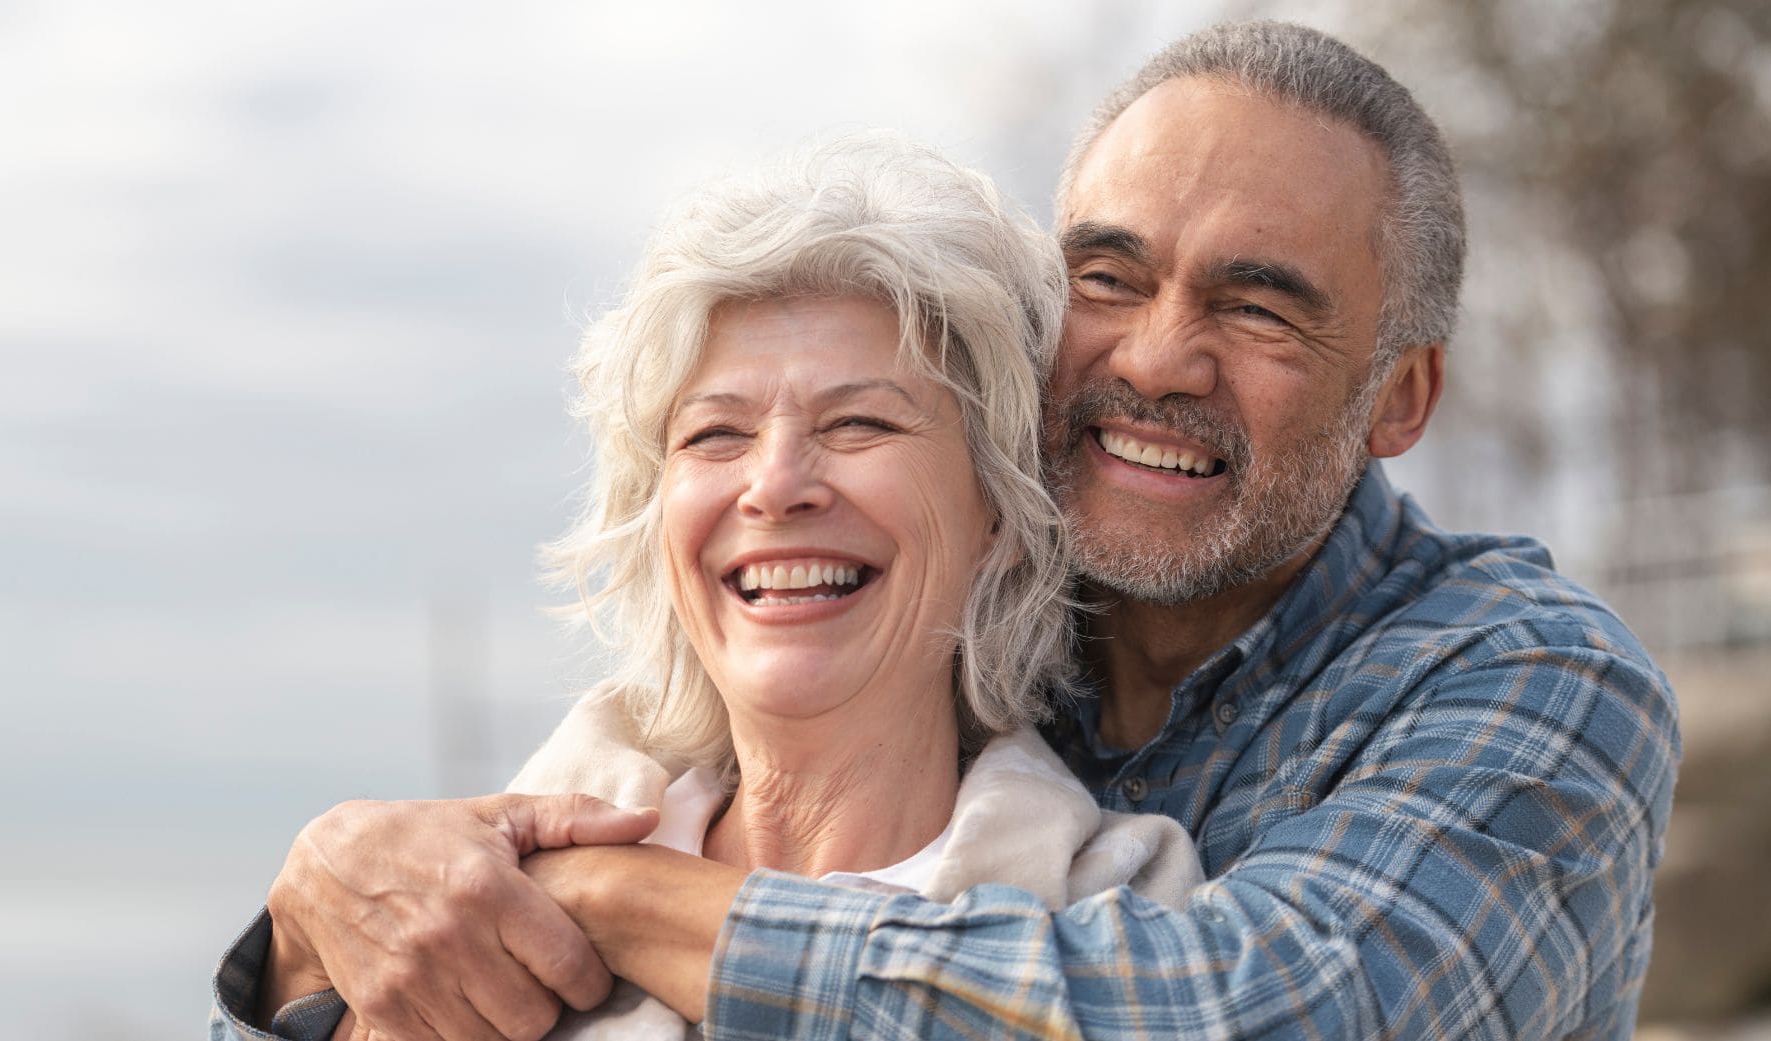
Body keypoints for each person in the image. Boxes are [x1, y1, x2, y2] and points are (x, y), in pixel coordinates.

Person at [215, 19, 1680, 1041]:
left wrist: (605, 899)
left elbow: (1261, 1015)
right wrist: (315, 905)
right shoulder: (923, 628)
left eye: (1254, 305)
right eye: (1106, 277)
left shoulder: (1532, 683)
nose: (1158, 358)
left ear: (1400, 395)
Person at [214, 135, 1206, 1041]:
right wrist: (293, 963)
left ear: (996, 506)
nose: (774, 486)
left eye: (857, 424)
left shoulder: (1123, 911)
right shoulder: (473, 913)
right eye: (713, 435)